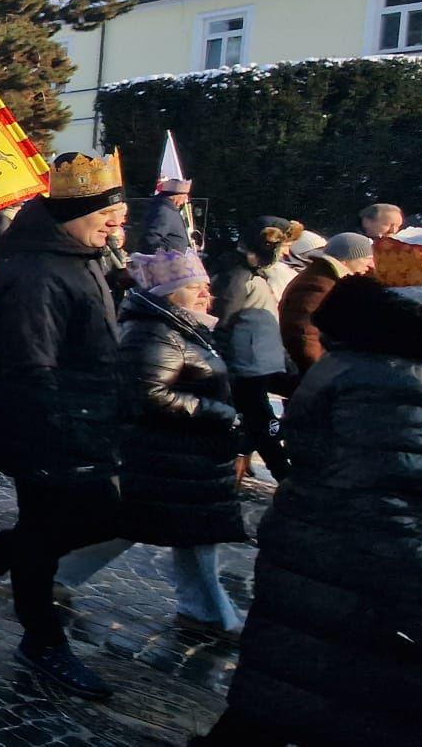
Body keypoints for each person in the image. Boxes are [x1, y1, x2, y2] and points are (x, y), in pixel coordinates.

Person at [195, 232, 422, 746]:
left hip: (326, 573)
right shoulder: (399, 382)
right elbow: (383, 509)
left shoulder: (385, 363)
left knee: (280, 705)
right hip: (351, 587)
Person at [0, 152, 129, 700]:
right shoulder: (37, 269)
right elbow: (30, 363)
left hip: (82, 420)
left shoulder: (75, 256)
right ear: (73, 210)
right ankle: (43, 639)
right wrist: (66, 432)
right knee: (54, 530)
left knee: (65, 528)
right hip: (47, 426)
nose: (113, 224)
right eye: (106, 214)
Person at [52, 250, 246, 633]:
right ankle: (211, 613)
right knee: (184, 530)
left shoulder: (184, 325)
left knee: (141, 526)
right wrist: (214, 410)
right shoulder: (155, 331)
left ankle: (54, 576)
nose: (207, 294)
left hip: (179, 454)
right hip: (167, 453)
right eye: (195, 287)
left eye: (206, 286)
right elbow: (147, 392)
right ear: (171, 293)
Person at [212, 217, 301, 477]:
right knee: (263, 425)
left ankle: (263, 463)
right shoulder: (236, 275)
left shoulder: (250, 273)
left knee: (261, 424)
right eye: (283, 247)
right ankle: (283, 475)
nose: (287, 253)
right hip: (247, 366)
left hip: (259, 363)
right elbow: (222, 321)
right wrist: (225, 366)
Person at [277, 232, 374, 377]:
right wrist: (319, 371)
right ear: (346, 260)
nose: (370, 265)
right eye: (366, 259)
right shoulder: (319, 284)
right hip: (317, 373)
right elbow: (304, 333)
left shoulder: (326, 277)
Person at [135, 177, 194, 254]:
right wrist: (170, 251)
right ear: (175, 196)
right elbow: (150, 239)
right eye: (184, 196)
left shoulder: (169, 210)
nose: (185, 200)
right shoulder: (163, 212)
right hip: (166, 262)